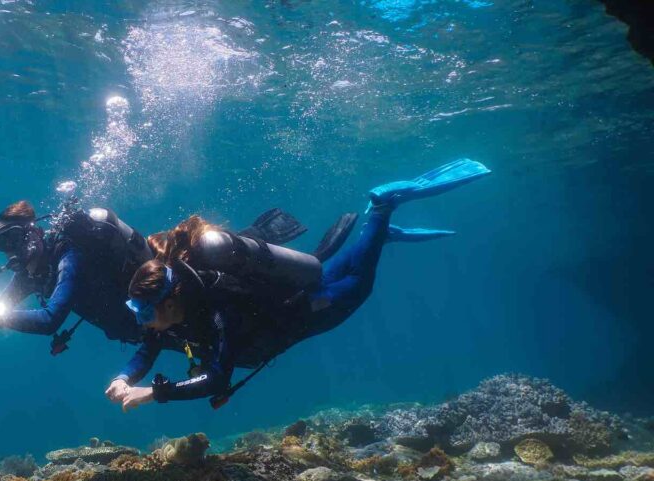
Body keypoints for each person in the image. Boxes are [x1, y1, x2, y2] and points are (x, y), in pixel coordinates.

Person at [104, 159, 490, 411]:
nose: (143, 322)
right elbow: (147, 349)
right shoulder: (175, 307)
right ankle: (381, 233)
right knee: (341, 268)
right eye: (136, 312)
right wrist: (124, 378)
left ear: (169, 302)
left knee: (357, 285)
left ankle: (381, 209)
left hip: (306, 312)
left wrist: (156, 392)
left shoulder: (219, 306)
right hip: (303, 293)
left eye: (144, 312)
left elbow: (219, 376)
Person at [0, 200, 151, 353]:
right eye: (3, 244)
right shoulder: (28, 276)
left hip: (158, 310)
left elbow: (49, 321)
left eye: (15, 237)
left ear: (36, 232)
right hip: (142, 331)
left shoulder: (69, 255)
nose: (11, 250)